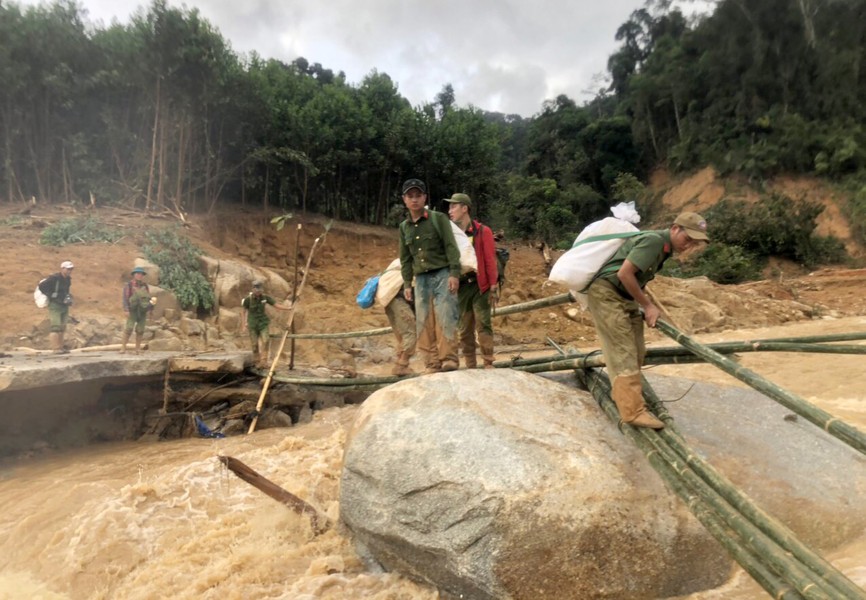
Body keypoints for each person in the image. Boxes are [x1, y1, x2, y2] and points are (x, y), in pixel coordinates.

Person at [587, 212, 709, 429]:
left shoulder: (664, 249)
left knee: (637, 350)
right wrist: (648, 305)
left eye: (694, 243)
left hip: (624, 296)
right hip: (607, 293)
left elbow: (636, 278)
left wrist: (645, 302)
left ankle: (623, 395)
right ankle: (632, 412)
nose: (688, 245)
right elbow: (625, 274)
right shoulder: (654, 241)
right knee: (623, 351)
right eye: (687, 239)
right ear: (674, 229)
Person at [398, 178, 462, 373]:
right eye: (411, 196)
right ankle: (431, 362)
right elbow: (405, 258)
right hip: (422, 279)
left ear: (425, 197)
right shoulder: (404, 227)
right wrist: (407, 283)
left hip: (442, 273)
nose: (415, 200)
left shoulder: (438, 218)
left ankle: (449, 359)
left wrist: (454, 273)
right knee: (423, 322)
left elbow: (451, 246)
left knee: (445, 316)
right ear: (404, 200)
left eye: (418, 195)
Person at [446, 192, 498, 369]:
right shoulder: (451, 233)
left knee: (483, 322)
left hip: (480, 285)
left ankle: (488, 361)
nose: (450, 210)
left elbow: (490, 259)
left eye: (454, 206)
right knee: (464, 328)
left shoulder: (483, 231)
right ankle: (470, 364)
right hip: (461, 286)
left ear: (464, 208)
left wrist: (493, 284)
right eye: (450, 206)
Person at [376, 258, 417, 376]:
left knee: (401, 334)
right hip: (397, 298)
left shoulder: (397, 262)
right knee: (410, 332)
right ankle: (402, 365)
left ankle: (400, 363)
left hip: (388, 297)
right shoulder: (413, 261)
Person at [240, 280, 292, 367]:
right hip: (252, 324)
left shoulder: (265, 298)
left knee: (266, 340)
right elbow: (243, 312)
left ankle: (264, 361)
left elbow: (275, 305)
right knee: (254, 344)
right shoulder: (247, 300)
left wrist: (288, 308)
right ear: (253, 289)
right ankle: (256, 361)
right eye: (256, 289)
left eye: (260, 290)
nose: (258, 292)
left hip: (263, 323)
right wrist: (243, 324)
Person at [38, 260, 75, 353]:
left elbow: (66, 290)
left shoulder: (68, 279)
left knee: (62, 327)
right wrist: (50, 294)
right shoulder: (54, 278)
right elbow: (42, 286)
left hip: (64, 304)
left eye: (71, 269)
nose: (69, 271)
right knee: (55, 326)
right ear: (62, 269)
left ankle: (61, 347)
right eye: (68, 269)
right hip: (55, 304)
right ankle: (55, 348)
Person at [121, 266, 154, 354]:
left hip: (143, 310)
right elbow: (125, 297)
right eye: (138, 274)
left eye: (141, 274)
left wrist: (150, 309)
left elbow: (148, 298)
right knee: (129, 328)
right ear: (134, 275)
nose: (140, 276)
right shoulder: (129, 285)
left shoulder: (145, 286)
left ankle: (137, 349)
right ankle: (123, 348)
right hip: (133, 310)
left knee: (140, 330)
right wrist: (126, 309)